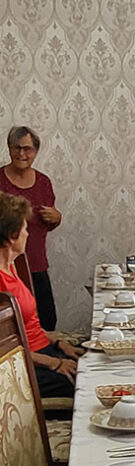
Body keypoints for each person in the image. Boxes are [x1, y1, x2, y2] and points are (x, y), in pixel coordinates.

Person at [0, 192, 81, 397]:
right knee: (89, 384)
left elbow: (29, 327)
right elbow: (6, 351)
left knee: (99, 360)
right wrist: (55, 363)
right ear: (12, 236)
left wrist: (59, 343)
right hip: (27, 366)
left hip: (43, 351)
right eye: (25, 229)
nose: (28, 234)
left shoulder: (11, 266)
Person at [0, 125, 61, 331]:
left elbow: (47, 224)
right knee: (11, 329)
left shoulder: (43, 182)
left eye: (27, 149)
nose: (21, 154)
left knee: (46, 322)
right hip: (5, 269)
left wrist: (57, 218)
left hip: (36, 264)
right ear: (9, 148)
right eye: (16, 148)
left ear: (36, 151)